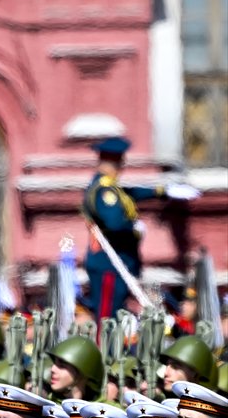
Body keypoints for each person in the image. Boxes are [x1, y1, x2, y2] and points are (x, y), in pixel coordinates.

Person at [81, 136, 191, 319]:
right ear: (114, 162)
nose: (121, 167)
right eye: (119, 162)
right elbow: (114, 223)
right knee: (107, 319)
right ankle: (104, 349)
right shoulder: (104, 190)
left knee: (114, 315)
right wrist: (134, 228)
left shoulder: (111, 188)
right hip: (109, 265)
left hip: (117, 264)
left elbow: (131, 192)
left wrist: (163, 191)